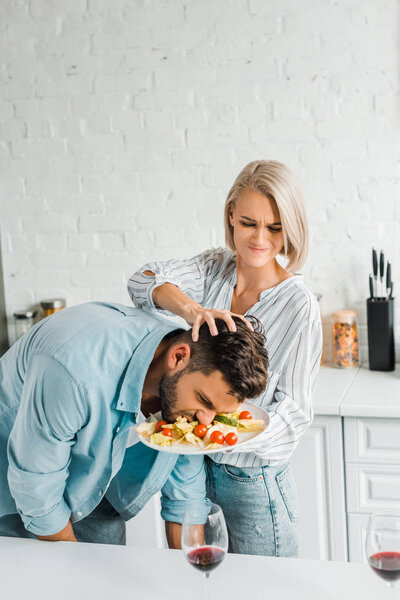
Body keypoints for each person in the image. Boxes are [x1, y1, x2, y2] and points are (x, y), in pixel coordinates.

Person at [128, 160, 323, 557]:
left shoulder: (298, 304)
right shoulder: (213, 268)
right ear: (231, 213)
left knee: (264, 590)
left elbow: (296, 414)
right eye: (249, 222)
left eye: (274, 227)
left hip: (252, 479)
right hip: (192, 471)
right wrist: (190, 311)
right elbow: (142, 280)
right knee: (200, 584)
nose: (259, 239)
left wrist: (223, 431)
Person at [0, 301, 268, 545]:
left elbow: (186, 499)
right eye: (204, 401)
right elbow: (37, 490)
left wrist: (193, 580)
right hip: (15, 489)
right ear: (177, 357)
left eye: (217, 413)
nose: (205, 423)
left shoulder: (188, 375)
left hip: (91, 487)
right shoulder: (76, 371)